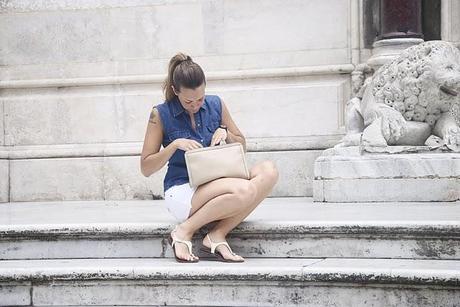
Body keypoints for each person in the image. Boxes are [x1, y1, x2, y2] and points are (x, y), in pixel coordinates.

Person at [140, 52, 279, 263]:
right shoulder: (160, 114)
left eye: (200, 99)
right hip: (183, 190)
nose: (195, 105)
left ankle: (216, 234)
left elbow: (242, 144)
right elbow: (146, 167)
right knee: (243, 189)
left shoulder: (216, 104)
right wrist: (175, 145)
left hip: (218, 182)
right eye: (188, 101)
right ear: (175, 91)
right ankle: (183, 231)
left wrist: (226, 133)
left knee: (269, 170)